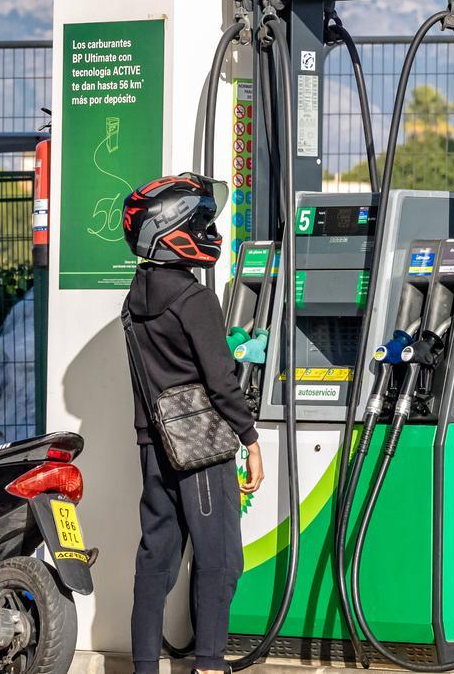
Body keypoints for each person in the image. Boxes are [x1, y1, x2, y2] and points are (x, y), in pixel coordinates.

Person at [122, 173, 264, 674]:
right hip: (200, 450)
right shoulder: (194, 299)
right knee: (220, 559)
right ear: (173, 230)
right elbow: (222, 381)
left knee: (155, 560)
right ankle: (208, 666)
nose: (209, 230)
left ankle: (145, 667)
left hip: (153, 446)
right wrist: (250, 438)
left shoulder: (133, 300)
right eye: (201, 221)